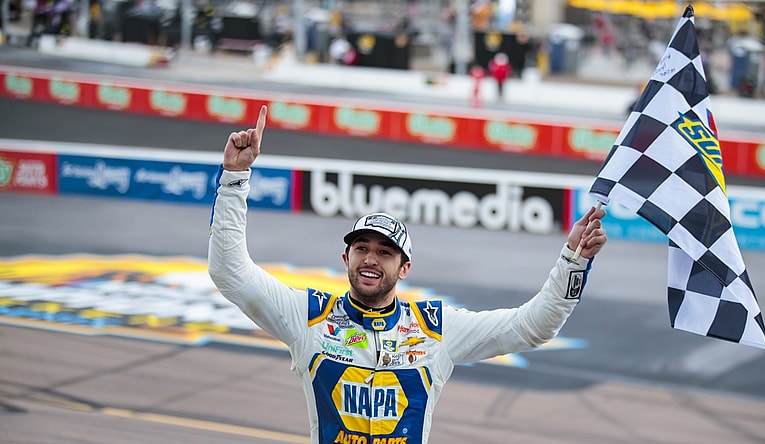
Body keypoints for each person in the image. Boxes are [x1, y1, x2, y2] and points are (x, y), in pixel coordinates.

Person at [208, 105, 608, 444]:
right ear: (345, 257)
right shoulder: (308, 315)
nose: (370, 259)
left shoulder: (435, 328)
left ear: (405, 269)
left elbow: (534, 326)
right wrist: (234, 180)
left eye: (385, 253)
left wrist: (572, 261)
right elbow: (230, 272)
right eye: (361, 248)